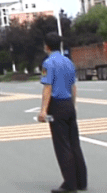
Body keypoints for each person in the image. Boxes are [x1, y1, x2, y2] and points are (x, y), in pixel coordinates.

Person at [38, 32, 87, 193]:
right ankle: (81, 181)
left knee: (62, 146)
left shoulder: (48, 64)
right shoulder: (68, 62)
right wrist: (73, 104)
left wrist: (43, 110)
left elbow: (48, 88)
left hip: (57, 105)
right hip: (68, 105)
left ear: (46, 46)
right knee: (74, 143)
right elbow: (73, 86)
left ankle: (69, 183)